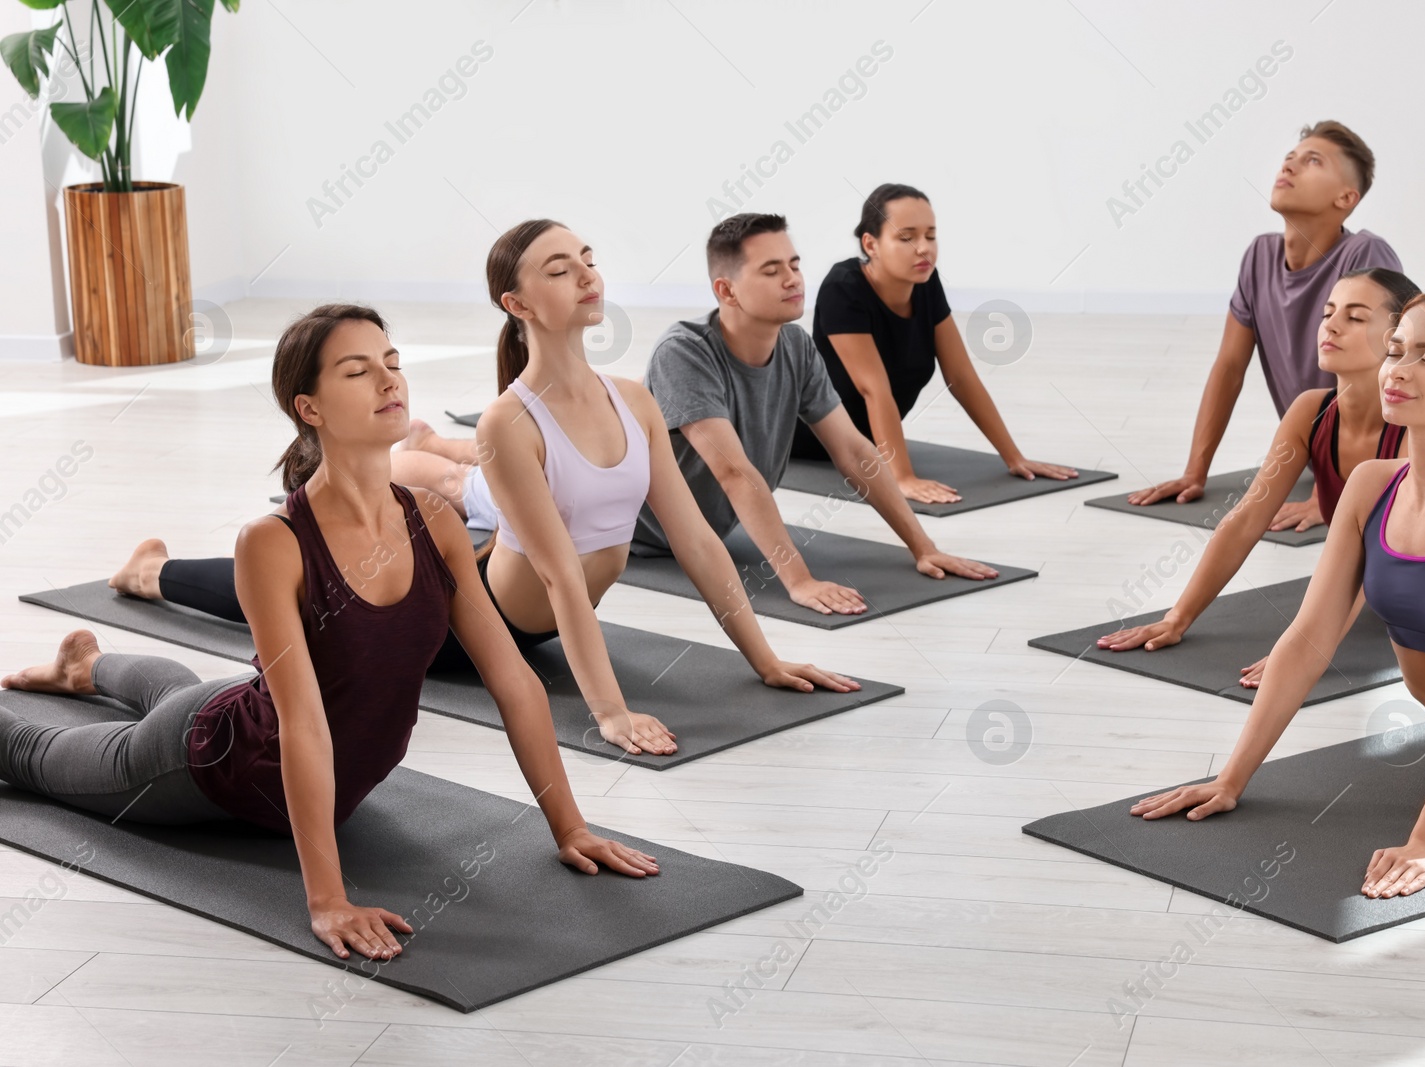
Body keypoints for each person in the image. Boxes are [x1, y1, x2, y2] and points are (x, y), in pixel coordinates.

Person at [1, 304, 658, 963]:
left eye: (392, 363)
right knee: (32, 753)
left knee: (185, 693)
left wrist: (568, 824)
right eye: (357, 370)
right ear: (309, 407)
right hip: (217, 766)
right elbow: (303, 726)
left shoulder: (434, 519)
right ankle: (81, 678)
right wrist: (327, 897)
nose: (388, 380)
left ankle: (84, 669)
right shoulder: (274, 542)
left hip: (268, 734)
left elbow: (514, 680)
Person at [109, 222, 858, 757]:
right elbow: (563, 575)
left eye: (587, 259)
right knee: (310, 597)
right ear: (518, 303)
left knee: (391, 541)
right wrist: (610, 712)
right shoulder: (510, 420)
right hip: (465, 625)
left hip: (509, 587)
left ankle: (381, 484)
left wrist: (765, 658)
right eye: (560, 269)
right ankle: (152, 573)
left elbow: (695, 539)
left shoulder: (634, 399)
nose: (587, 275)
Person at [1132, 288, 1425, 901]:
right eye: (1396, 351)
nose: (1399, 371)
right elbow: (1306, 640)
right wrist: (1231, 779)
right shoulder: (1371, 486)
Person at [1098, 268, 1425, 689]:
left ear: (1396, 335)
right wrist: (1178, 616)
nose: (1331, 326)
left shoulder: (1412, 429)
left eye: (1355, 317)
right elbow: (1247, 517)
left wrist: (1306, 652)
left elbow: (1374, 558)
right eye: (1328, 313)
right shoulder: (1312, 412)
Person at [630, 212, 999, 616]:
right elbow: (734, 473)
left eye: (794, 265)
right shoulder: (684, 352)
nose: (792, 279)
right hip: (617, 536)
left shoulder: (796, 346)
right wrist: (799, 581)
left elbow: (854, 452)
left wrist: (924, 548)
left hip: (698, 535)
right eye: (771, 271)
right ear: (726, 290)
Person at [1127, 121, 1403, 525]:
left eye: (1312, 161)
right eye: (1290, 157)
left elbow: (1389, 369)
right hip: (1332, 454)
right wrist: (1195, 471)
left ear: (1346, 197)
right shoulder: (1260, 256)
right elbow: (1229, 367)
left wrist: (1335, 495)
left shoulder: (1364, 254)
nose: (1289, 166)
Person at [788, 183, 1076, 504]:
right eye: (906, 237)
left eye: (930, 235)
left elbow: (961, 377)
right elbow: (874, 389)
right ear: (871, 244)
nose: (923, 248)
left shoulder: (924, 280)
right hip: (802, 434)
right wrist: (902, 478)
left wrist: (1014, 457)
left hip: (866, 439)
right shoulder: (843, 288)